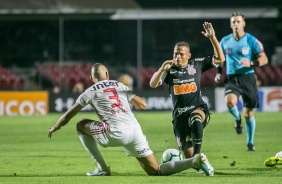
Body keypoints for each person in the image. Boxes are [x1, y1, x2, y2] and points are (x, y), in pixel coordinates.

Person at [48, 63, 214, 176]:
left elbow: (68, 115)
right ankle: (194, 160)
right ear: (107, 74)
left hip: (113, 132)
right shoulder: (120, 85)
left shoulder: (89, 91)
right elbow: (142, 104)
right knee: (156, 170)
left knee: (80, 125)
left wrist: (55, 127)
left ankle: (102, 168)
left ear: (92, 79)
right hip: (134, 131)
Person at [150, 22, 225, 160]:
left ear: (189, 55)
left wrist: (212, 38)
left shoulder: (197, 64)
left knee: (195, 119)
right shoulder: (169, 70)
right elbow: (153, 84)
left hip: (198, 108)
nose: (178, 56)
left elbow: (221, 58)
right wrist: (162, 69)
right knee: (189, 161)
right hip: (179, 117)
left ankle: (197, 156)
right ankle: (197, 162)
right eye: (176, 53)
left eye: (181, 54)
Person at [214, 12, 268, 151]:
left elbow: (264, 58)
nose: (236, 24)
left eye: (238, 21)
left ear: (243, 24)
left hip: (248, 77)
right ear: (231, 24)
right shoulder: (225, 41)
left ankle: (250, 142)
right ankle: (237, 120)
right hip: (232, 78)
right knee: (229, 101)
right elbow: (220, 59)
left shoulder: (251, 40)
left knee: (248, 113)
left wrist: (251, 62)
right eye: (233, 22)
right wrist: (219, 73)